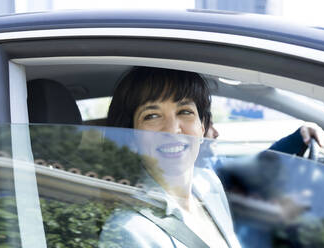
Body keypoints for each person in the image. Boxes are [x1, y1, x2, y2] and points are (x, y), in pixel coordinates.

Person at [100, 67, 241, 248]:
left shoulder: (209, 183)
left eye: (185, 111)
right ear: (131, 138)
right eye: (152, 116)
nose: (173, 129)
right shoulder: (129, 230)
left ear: (202, 126)